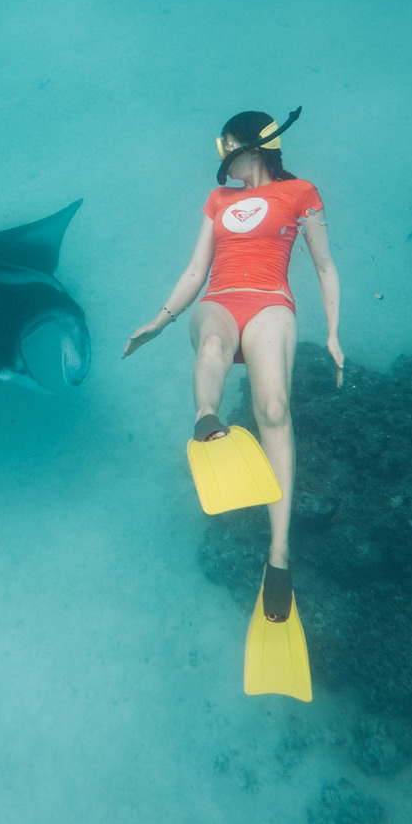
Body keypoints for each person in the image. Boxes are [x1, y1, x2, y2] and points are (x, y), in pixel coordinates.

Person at [123, 108, 343, 622]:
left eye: (227, 148)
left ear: (252, 148)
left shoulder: (301, 193)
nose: (222, 160)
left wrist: (333, 334)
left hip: (270, 302)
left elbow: (326, 266)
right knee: (212, 351)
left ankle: (280, 555)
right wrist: (160, 320)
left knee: (273, 409)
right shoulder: (218, 200)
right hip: (221, 299)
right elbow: (197, 269)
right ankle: (207, 420)